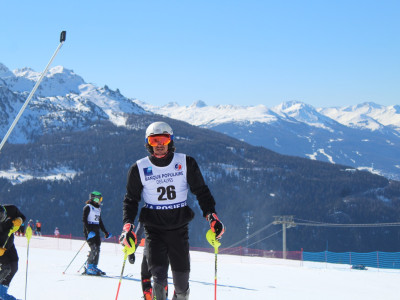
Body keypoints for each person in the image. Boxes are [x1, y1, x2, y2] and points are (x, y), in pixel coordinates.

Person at [120, 121, 225, 300]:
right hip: (154, 231)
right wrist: (128, 225)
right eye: (154, 141)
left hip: (179, 230)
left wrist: (211, 216)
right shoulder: (139, 168)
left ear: (170, 140)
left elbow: (201, 192)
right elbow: (131, 200)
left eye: (163, 139)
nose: (159, 144)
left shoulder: (186, 163)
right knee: (159, 284)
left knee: (182, 288)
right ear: (148, 143)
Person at [129, 222, 169, 300]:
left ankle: (148, 297)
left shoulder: (146, 212)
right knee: (162, 278)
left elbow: (138, 234)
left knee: (145, 277)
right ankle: (163, 296)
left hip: (148, 252)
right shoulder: (169, 211)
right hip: (164, 253)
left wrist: (132, 251)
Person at [0, 204, 25, 300]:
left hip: (9, 248)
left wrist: (20, 220)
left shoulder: (11, 209)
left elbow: (22, 217)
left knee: (13, 267)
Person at [82, 191, 111, 276]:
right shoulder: (88, 207)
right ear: (94, 198)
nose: (100, 201)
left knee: (98, 248)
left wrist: (105, 232)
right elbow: (84, 220)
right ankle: (89, 267)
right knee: (93, 248)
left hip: (96, 230)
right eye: (100, 199)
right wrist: (88, 231)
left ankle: (94, 266)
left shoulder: (98, 208)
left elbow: (100, 221)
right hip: (90, 230)